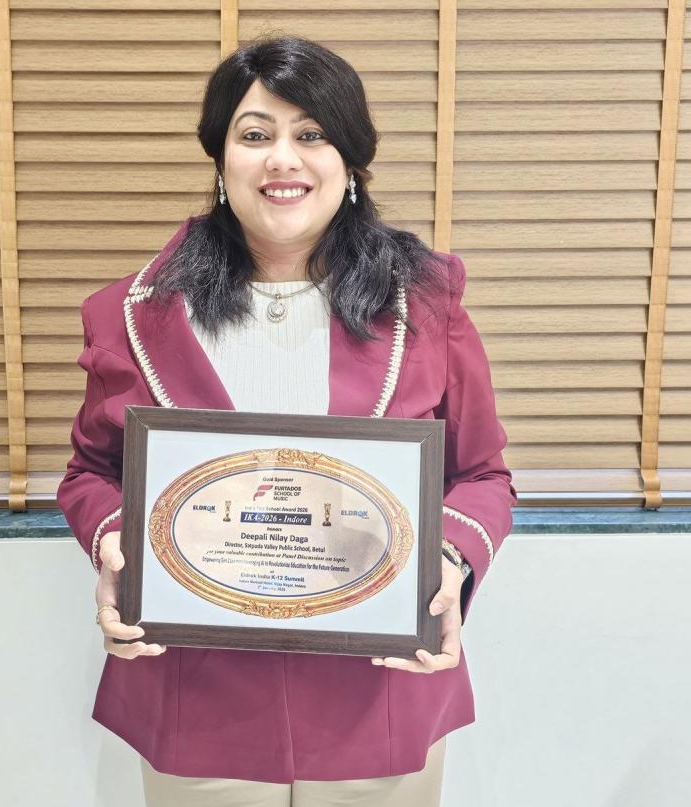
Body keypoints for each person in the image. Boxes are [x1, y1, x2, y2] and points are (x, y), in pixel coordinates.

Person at [57, 34, 517, 806]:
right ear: (220, 157)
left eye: (311, 134)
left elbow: (481, 475)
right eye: (255, 134)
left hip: (379, 694)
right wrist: (114, 543)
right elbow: (92, 473)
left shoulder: (427, 303)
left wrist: (447, 561)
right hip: (197, 696)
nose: (282, 159)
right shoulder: (129, 314)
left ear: (350, 160)